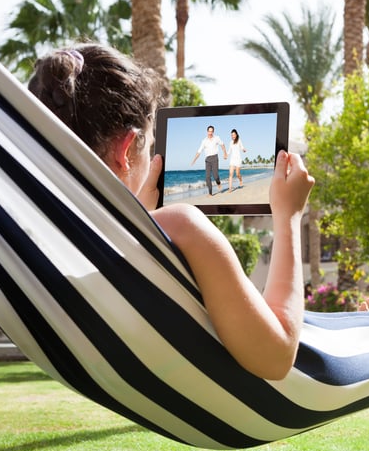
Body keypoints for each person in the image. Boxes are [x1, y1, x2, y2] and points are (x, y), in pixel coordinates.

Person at [29, 43, 314, 380]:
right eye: (149, 145)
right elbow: (276, 357)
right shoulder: (182, 226)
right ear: (125, 150)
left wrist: (143, 218)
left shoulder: (41, 236)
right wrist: (288, 218)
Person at [190, 125, 227, 196]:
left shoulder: (217, 138)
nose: (210, 133)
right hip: (207, 160)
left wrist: (225, 153)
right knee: (207, 177)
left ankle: (218, 183)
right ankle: (210, 193)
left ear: (213, 132)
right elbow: (199, 151)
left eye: (211, 131)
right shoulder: (204, 141)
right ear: (207, 132)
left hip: (215, 158)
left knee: (215, 176)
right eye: (209, 131)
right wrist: (194, 160)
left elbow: (222, 145)